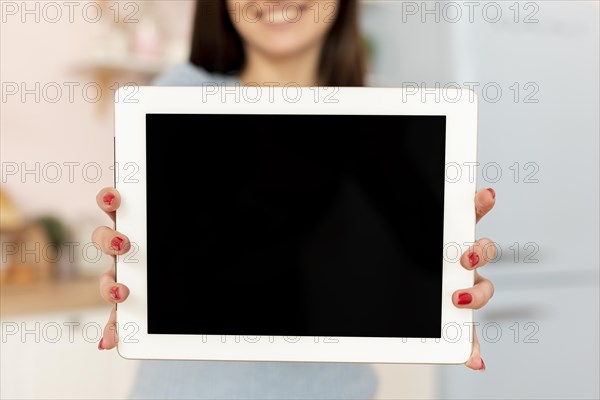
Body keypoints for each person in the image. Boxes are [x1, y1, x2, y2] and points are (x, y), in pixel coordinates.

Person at [92, 1, 497, 398]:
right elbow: (178, 254)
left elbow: (425, 251)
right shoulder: (178, 97)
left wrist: (460, 267)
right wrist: (129, 263)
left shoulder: (376, 111)